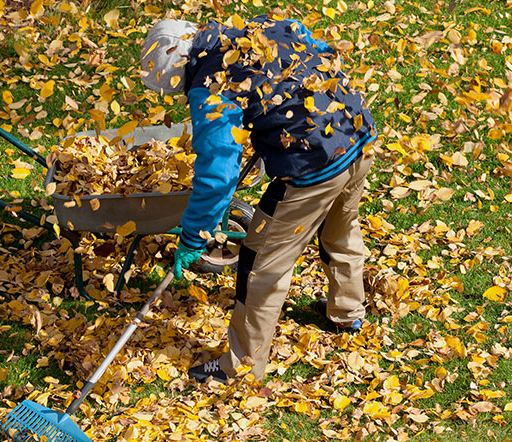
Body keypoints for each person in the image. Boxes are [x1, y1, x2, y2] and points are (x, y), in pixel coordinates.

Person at [140, 16, 376, 383]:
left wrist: (194, 234)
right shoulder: (256, 29)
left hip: (312, 165)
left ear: (179, 68)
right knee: (340, 230)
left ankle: (243, 366)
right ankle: (347, 312)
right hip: (355, 133)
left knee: (260, 263)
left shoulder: (210, 85)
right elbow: (319, 53)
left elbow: (217, 175)